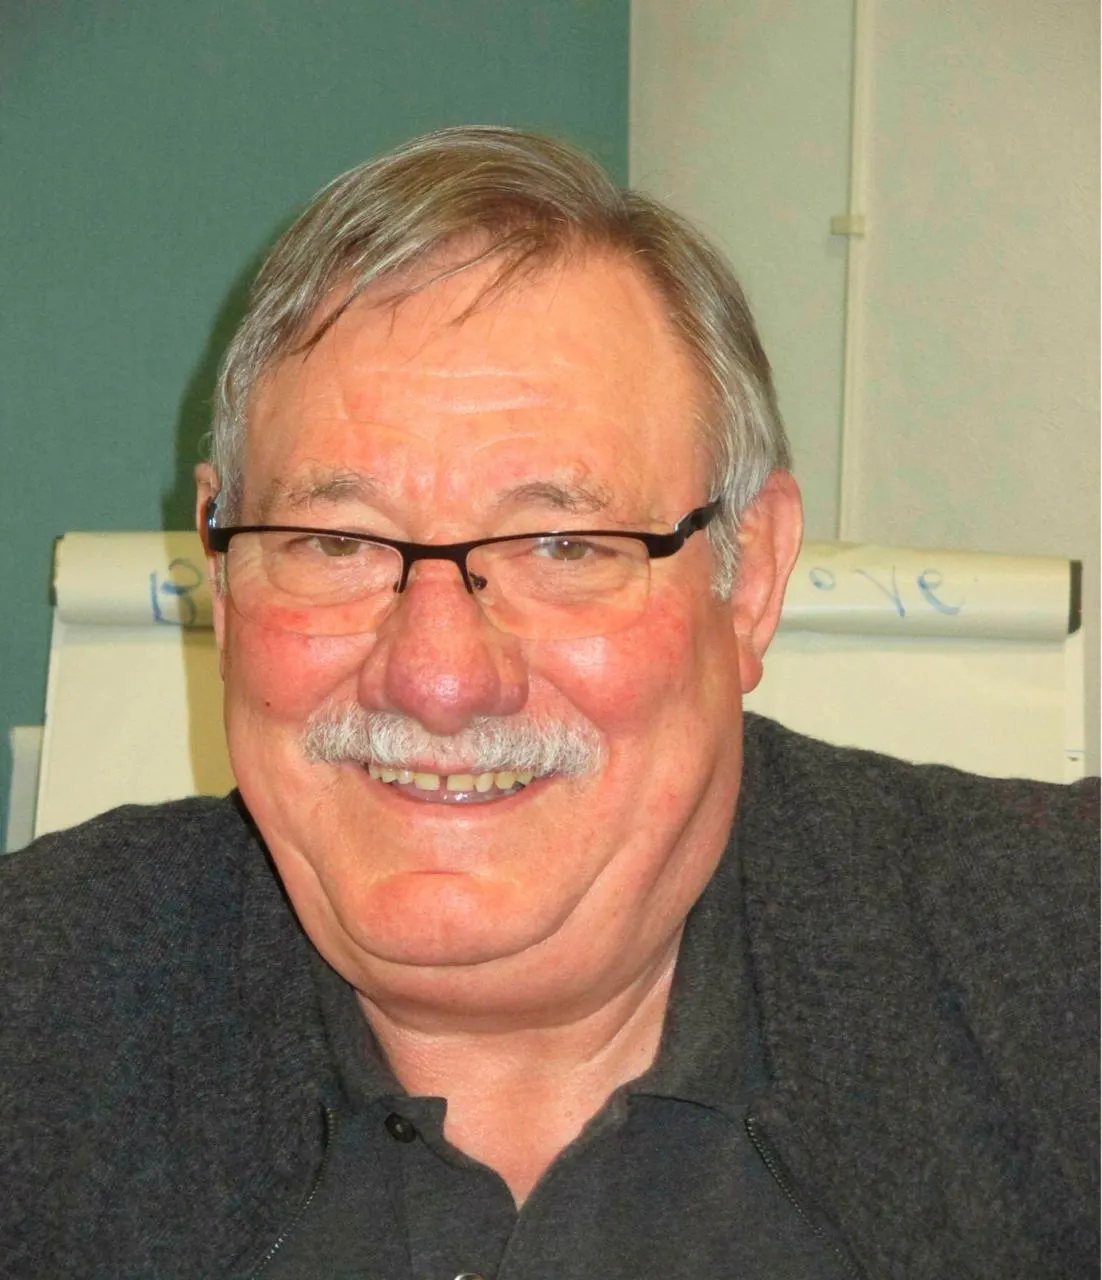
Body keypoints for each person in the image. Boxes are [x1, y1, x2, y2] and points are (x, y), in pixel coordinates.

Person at [1, 126, 1096, 1280]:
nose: (437, 676)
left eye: (564, 544)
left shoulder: (1065, 970)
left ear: (751, 577)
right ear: (222, 570)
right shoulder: (32, 1012)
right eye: (334, 541)